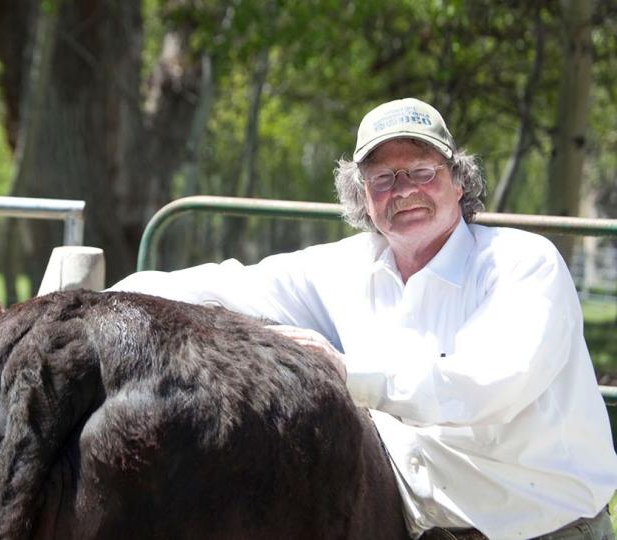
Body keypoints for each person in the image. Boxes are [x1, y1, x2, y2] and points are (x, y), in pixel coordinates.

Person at [108, 97, 617, 539]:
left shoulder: (522, 263)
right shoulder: (347, 266)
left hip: (545, 532)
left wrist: (349, 375)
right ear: (362, 198)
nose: (404, 190)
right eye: (382, 179)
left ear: (459, 182)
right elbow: (224, 283)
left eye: (422, 171)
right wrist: (87, 307)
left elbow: (487, 384)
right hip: (410, 527)